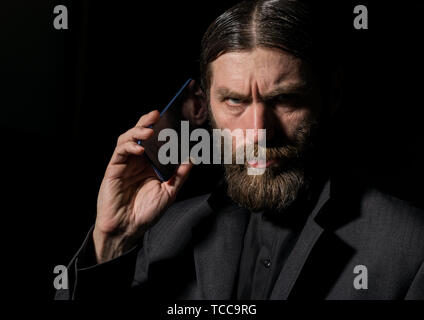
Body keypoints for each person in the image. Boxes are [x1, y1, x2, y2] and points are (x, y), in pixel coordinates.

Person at [56, 0, 424, 300]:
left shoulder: (410, 248)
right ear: (202, 106)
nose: (258, 131)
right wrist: (112, 241)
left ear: (332, 95)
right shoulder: (167, 233)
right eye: (234, 101)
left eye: (284, 100)